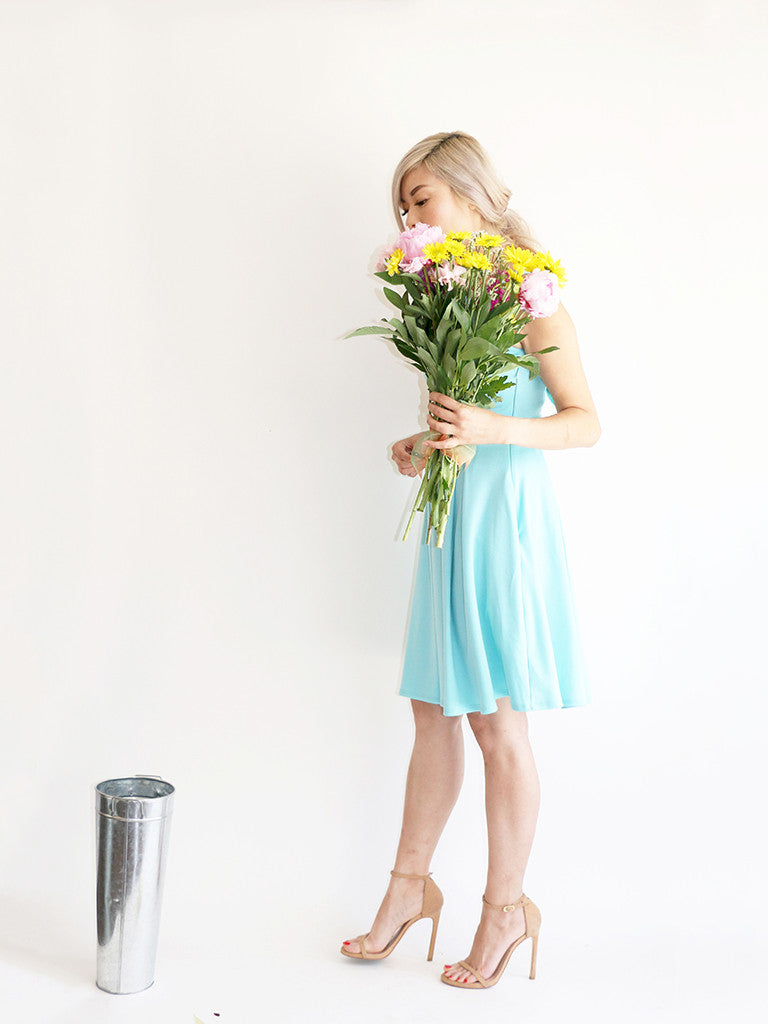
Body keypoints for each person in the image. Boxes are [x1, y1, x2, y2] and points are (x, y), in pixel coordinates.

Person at [340, 131, 601, 989]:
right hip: (452, 527)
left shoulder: (534, 295)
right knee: (431, 711)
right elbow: (464, 420)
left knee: (497, 723)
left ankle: (506, 910)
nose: (409, 219)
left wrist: (489, 429)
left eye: (421, 199)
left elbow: (583, 422)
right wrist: (427, 443)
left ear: (474, 196)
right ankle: (408, 888)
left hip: (505, 532)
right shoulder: (444, 300)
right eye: (403, 206)